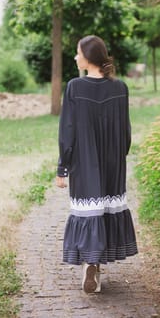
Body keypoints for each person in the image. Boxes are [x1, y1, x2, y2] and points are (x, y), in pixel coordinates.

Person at [56, 35, 138, 294]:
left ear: (88, 57)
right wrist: (118, 157)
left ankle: (91, 262)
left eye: (78, 53)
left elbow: (67, 131)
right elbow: (125, 131)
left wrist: (63, 167)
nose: (75, 57)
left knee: (89, 212)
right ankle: (95, 266)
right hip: (113, 161)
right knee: (106, 211)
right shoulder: (121, 87)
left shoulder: (74, 87)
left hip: (85, 161)